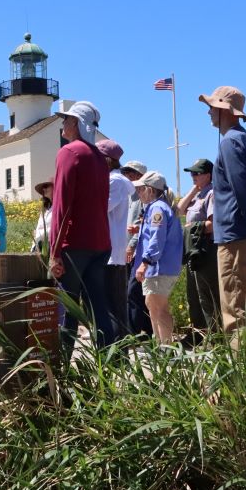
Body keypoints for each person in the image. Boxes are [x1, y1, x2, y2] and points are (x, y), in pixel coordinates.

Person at [199, 86, 246, 356]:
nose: (209, 112)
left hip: (236, 238)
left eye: (212, 107)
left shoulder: (230, 142)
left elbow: (243, 191)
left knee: (237, 311)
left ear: (223, 110)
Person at [49, 100, 115, 355]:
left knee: (67, 308)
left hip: (75, 244)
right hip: (100, 242)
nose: (63, 124)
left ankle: (61, 366)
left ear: (76, 123)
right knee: (98, 306)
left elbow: (61, 205)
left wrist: (54, 251)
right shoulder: (99, 157)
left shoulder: (70, 152)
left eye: (66, 119)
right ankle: (110, 362)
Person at [132, 171, 184, 344]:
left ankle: (166, 347)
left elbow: (156, 238)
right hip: (159, 266)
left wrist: (145, 262)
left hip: (159, 266)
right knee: (152, 304)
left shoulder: (157, 209)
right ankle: (160, 344)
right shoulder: (157, 208)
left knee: (159, 307)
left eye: (140, 189)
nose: (138, 193)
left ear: (150, 190)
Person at [177, 158, 219, 339]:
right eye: (191, 173)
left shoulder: (212, 194)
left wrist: (195, 227)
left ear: (208, 175)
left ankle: (215, 335)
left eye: (197, 173)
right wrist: (195, 188)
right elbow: (180, 209)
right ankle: (198, 333)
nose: (192, 176)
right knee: (193, 294)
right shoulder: (199, 194)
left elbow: (213, 224)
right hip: (192, 249)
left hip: (205, 249)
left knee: (207, 294)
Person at [98, 139, 132, 340]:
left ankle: (118, 351)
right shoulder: (113, 180)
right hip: (111, 248)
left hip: (111, 250)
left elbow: (100, 207)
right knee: (112, 304)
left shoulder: (115, 181)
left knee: (114, 305)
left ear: (108, 161)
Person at [121, 160, 153, 336]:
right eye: (126, 173)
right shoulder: (128, 196)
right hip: (128, 250)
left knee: (133, 291)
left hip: (138, 251)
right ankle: (145, 330)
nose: (128, 176)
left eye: (131, 173)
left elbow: (141, 225)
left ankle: (132, 332)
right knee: (135, 292)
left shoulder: (143, 197)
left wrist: (131, 246)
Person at [31, 178, 54, 253]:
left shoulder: (59, 207)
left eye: (46, 186)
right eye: (43, 187)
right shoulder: (45, 209)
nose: (44, 189)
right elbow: (38, 229)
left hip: (51, 247)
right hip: (39, 247)